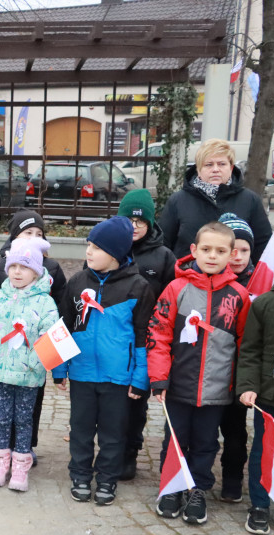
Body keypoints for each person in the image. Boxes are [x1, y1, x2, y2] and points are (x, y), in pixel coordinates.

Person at [148, 222, 251, 525]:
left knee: (207, 442)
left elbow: (245, 342)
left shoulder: (239, 295)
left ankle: (197, 488)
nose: (212, 256)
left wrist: (238, 383)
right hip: (178, 385)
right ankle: (172, 487)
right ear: (193, 251)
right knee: (175, 439)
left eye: (220, 251)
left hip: (217, 390)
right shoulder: (176, 288)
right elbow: (159, 334)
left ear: (232, 255)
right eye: (206, 249)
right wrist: (159, 377)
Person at [53, 216, 156, 506]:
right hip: (83, 375)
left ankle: (108, 478)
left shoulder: (138, 287)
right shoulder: (76, 283)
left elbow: (142, 339)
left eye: (97, 247)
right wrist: (60, 370)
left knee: (113, 434)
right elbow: (62, 327)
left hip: (118, 379)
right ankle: (81, 474)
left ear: (116, 253)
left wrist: (140, 379)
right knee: (81, 429)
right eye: (88, 245)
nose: (89, 251)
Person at [0, 209, 66, 464]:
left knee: (30, 406)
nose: (33, 237)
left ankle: (25, 448)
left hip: (31, 356)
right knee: (3, 408)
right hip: (4, 352)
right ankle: (3, 451)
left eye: (39, 234)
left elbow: (57, 312)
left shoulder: (51, 269)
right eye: (28, 233)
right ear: (15, 235)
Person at [117, 189, 177, 481]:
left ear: (151, 222)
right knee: (113, 401)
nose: (135, 226)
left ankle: (130, 453)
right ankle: (110, 451)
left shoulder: (163, 255)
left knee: (135, 401)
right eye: (129, 219)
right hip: (117, 336)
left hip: (145, 338)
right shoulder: (113, 247)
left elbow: (173, 296)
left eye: (141, 220)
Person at [236, 241, 274, 535]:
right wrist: (247, 385)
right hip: (268, 394)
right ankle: (259, 504)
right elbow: (250, 350)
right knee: (264, 449)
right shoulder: (265, 303)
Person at [159, 138, 271, 261]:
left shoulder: (250, 200)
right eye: (209, 164)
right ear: (198, 169)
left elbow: (264, 245)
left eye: (222, 164)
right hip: (188, 276)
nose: (216, 169)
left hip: (237, 277)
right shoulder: (178, 200)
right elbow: (163, 244)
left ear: (231, 167)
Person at [215, 214, 258, 501]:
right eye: (234, 251)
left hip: (239, 373)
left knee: (235, 432)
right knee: (203, 432)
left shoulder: (261, 280)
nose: (239, 257)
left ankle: (232, 479)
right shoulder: (212, 280)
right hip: (210, 368)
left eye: (245, 251)